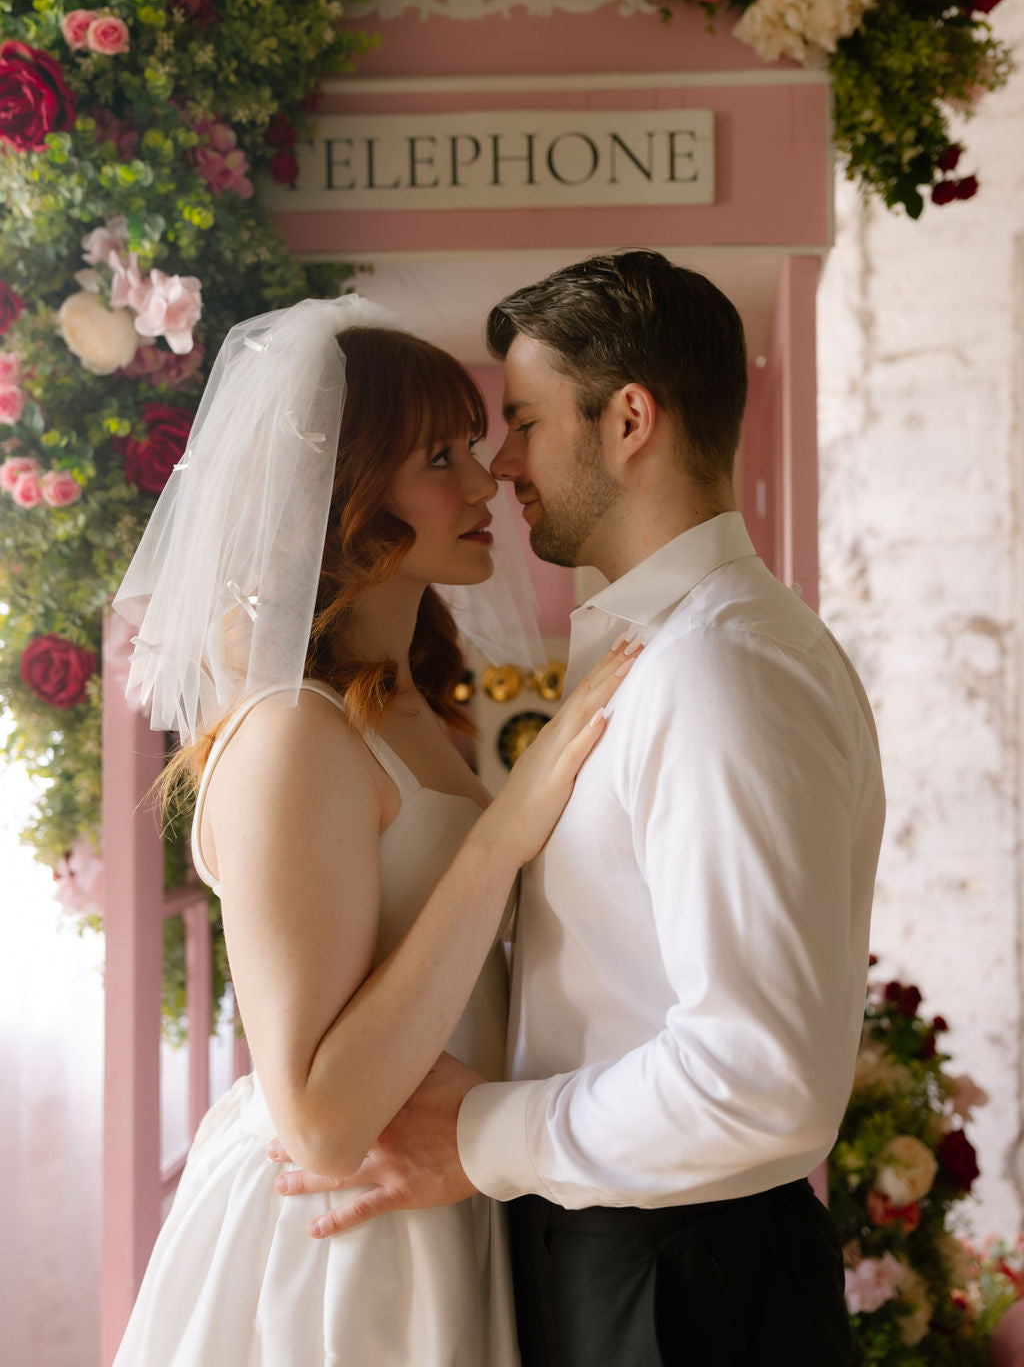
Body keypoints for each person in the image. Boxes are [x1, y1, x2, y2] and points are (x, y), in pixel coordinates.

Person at [275, 253, 886, 1367]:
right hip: (627, 1251)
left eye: (521, 422)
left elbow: (761, 1078)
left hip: (679, 1283)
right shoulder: (665, 652)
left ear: (630, 421)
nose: (500, 464)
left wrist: (476, 1137)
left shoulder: (717, 671)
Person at [110, 294, 637, 1366]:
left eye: (475, 449)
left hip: (437, 1204)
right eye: (439, 456)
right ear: (343, 493)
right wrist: (503, 838)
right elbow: (314, 1120)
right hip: (336, 1256)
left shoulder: (405, 708)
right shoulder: (292, 734)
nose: (485, 482)